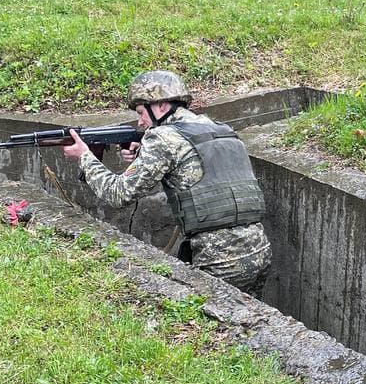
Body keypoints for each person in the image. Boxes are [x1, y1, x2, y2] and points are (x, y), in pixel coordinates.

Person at [60, 70, 272, 293]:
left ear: (161, 105)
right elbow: (198, 170)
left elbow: (118, 193)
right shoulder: (218, 128)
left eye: (142, 112)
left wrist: (85, 156)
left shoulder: (162, 137)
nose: (140, 122)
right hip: (259, 249)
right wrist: (144, 154)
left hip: (219, 259)